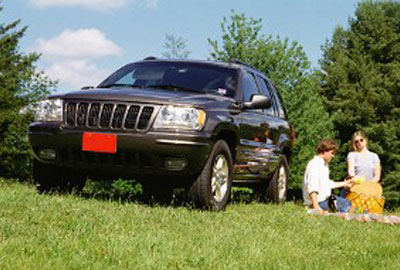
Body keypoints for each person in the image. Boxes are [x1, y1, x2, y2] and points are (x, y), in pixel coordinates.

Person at [302, 138, 354, 214]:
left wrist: (345, 183)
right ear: (324, 151)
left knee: (348, 203)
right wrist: (316, 207)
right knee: (346, 207)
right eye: (332, 153)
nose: (333, 156)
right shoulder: (314, 165)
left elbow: (327, 184)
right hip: (318, 203)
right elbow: (312, 188)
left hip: (326, 199)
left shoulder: (324, 165)